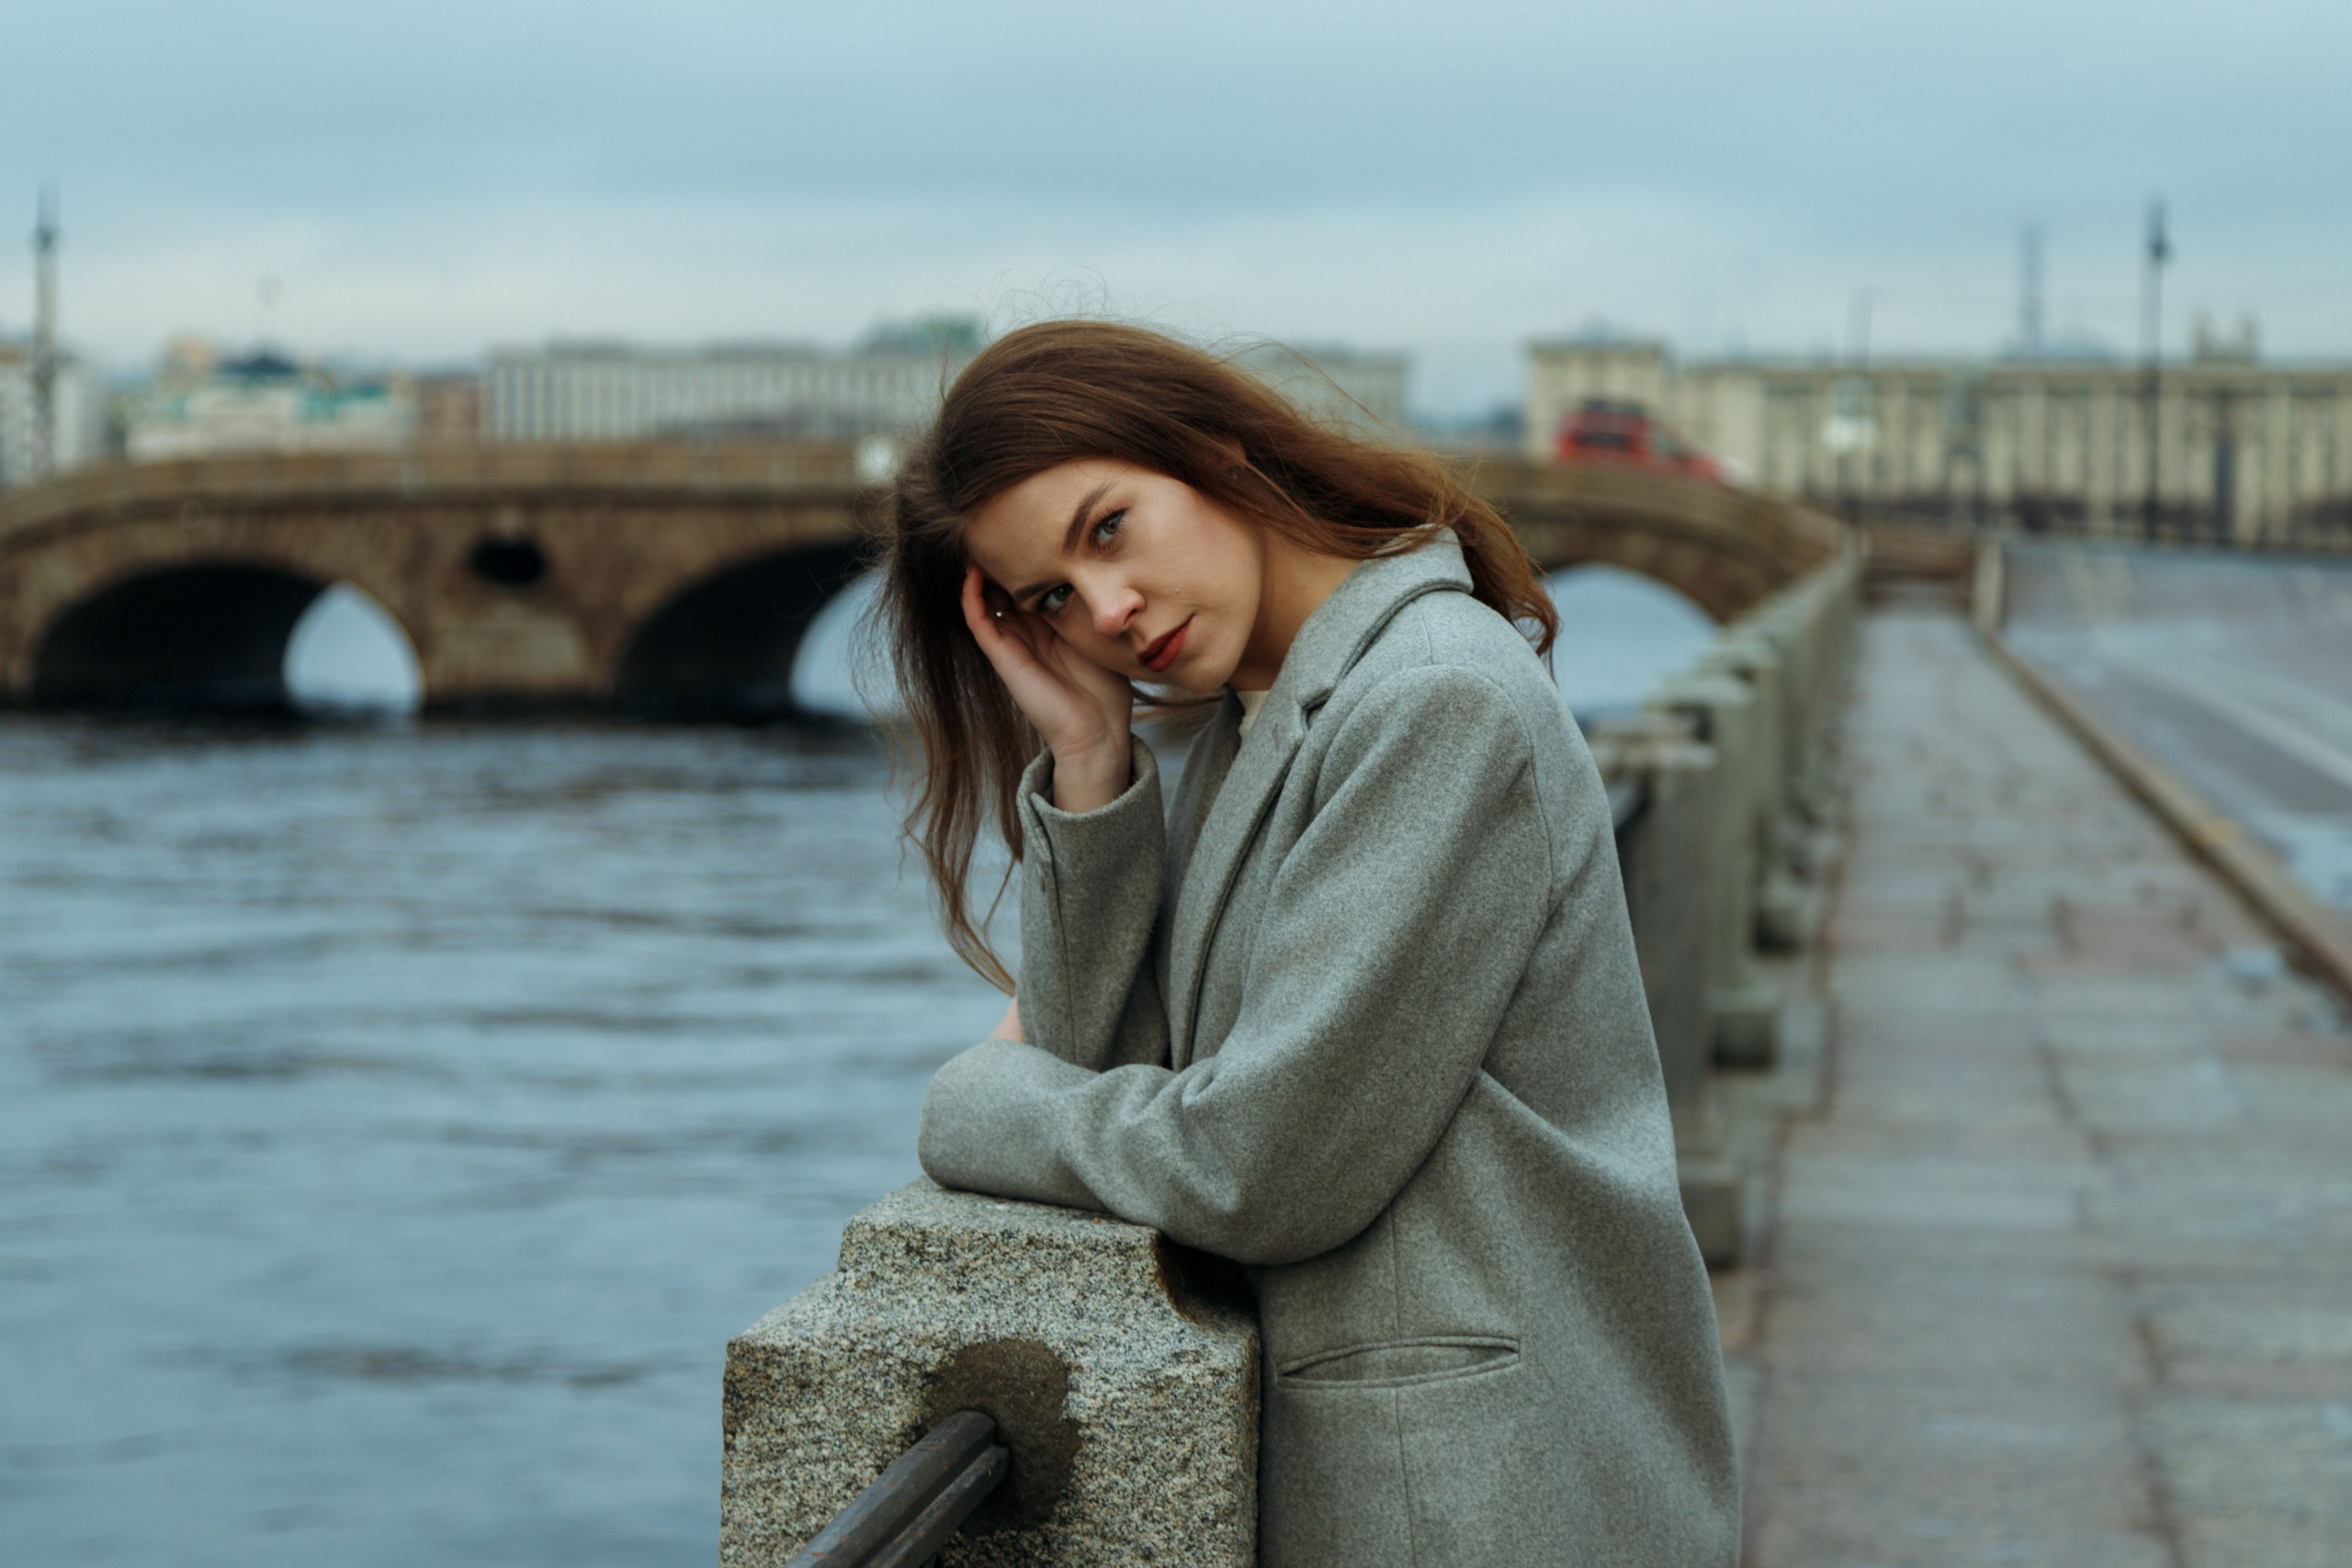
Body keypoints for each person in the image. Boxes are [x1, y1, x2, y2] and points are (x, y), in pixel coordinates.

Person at [878, 320, 1738, 1568]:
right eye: (1051, 598)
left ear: (1215, 448)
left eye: (1107, 527)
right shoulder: (1259, 715)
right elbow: (1113, 1063)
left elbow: (1259, 1169)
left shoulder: (1435, 698)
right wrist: (1087, 759)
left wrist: (977, 1102)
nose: (1108, 611)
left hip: (1479, 1497)